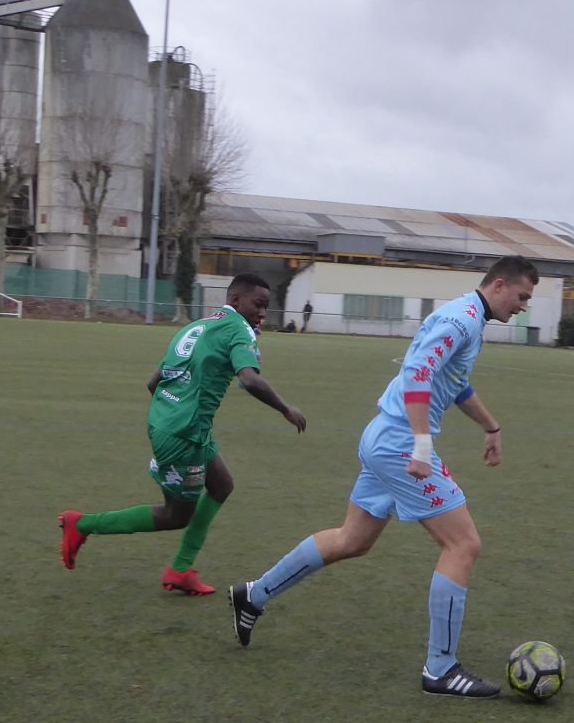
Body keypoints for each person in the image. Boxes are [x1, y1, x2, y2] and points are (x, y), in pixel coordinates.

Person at [229, 256, 539, 698]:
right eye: (523, 296)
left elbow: (453, 383)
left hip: (385, 436)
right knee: (463, 544)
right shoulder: (461, 320)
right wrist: (421, 443)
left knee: (353, 539)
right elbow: (417, 375)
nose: (524, 305)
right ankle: (441, 669)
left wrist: (491, 426)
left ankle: (253, 595)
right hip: (399, 442)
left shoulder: (468, 319)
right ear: (501, 284)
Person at [59, 273, 307, 595]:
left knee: (221, 485)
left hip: (177, 424)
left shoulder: (196, 327)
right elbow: (249, 379)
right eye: (258, 305)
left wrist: (173, 414)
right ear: (235, 300)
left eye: (267, 308)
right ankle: (83, 524)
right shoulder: (238, 329)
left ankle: (182, 569)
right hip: (184, 434)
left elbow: (154, 382)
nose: (263, 314)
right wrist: (286, 409)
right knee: (176, 515)